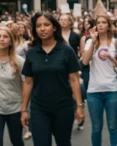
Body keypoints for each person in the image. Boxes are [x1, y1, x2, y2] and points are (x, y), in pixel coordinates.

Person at [21, 12, 84, 146]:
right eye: (38, 26)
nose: (42, 29)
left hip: (63, 107)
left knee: (63, 142)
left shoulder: (66, 50)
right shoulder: (32, 52)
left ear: (54, 27)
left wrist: (79, 106)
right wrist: (24, 110)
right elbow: (28, 82)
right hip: (39, 108)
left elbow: (74, 79)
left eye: (46, 25)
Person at [81, 14, 117, 146]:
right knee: (96, 128)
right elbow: (84, 61)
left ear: (108, 26)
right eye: (98, 22)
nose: (100, 25)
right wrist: (94, 41)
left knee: (112, 127)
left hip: (112, 90)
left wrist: (111, 58)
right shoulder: (90, 42)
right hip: (94, 91)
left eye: (103, 22)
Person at [0, 27, 25, 146]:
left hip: (15, 108)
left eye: (5, 37)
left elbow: (26, 85)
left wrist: (25, 109)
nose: (2, 39)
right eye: (0, 36)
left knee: (17, 141)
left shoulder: (19, 61)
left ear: (11, 41)